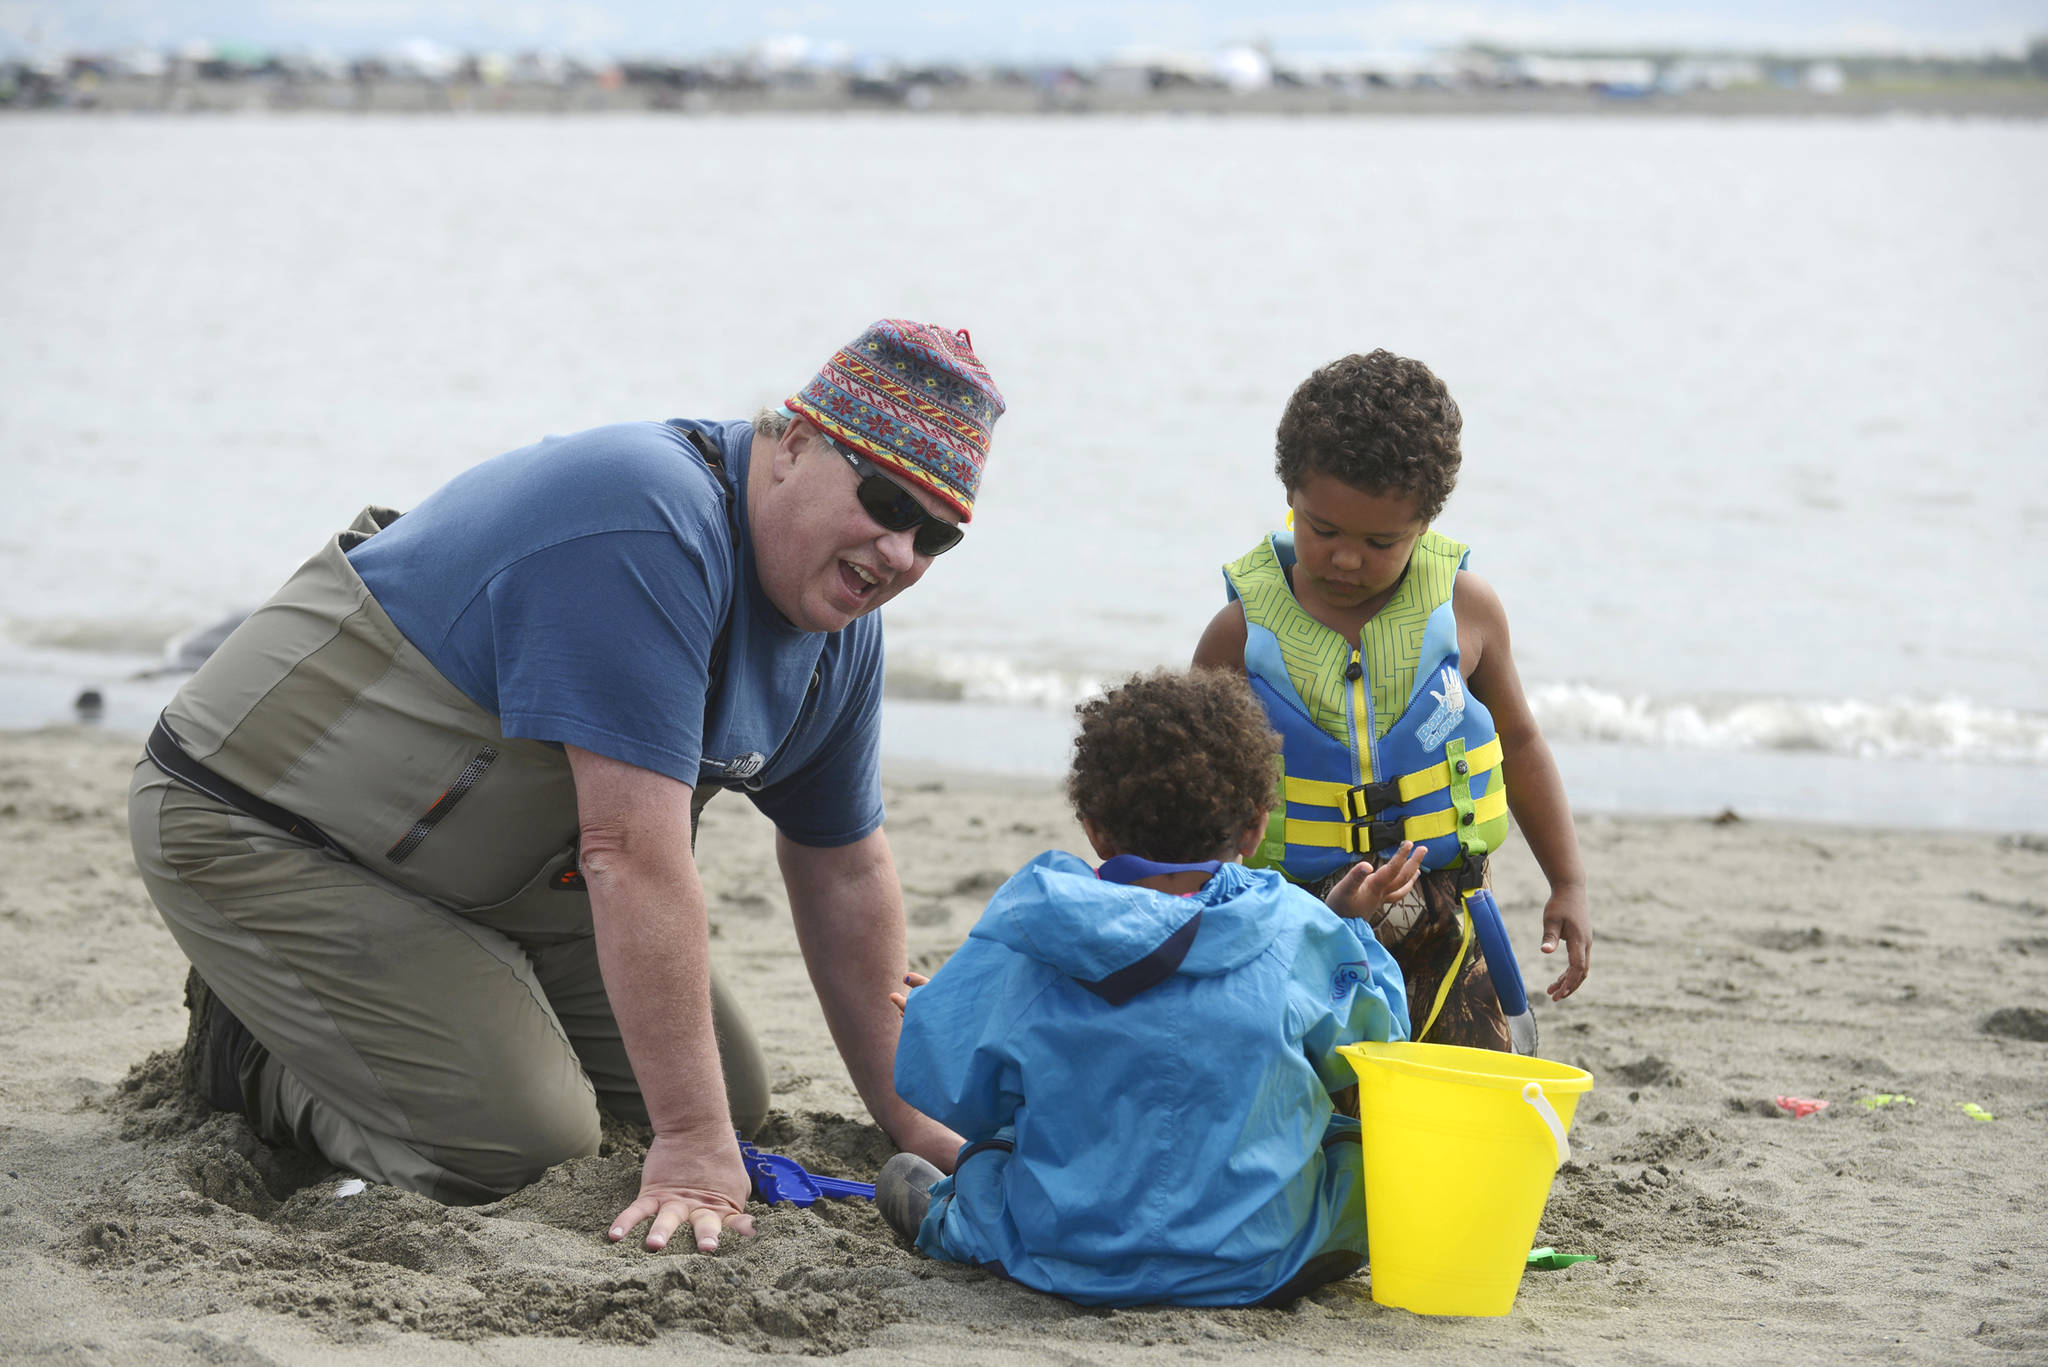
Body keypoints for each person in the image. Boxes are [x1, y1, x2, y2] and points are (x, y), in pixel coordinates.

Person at [127, 319, 1003, 1256]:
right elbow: (628, 853)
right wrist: (696, 1157)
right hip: (264, 821)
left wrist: (916, 1123)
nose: (901, 551)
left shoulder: (841, 627)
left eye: (935, 537)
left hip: (484, 874)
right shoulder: (647, 518)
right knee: (524, 1145)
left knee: (732, 1098)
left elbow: (844, 873)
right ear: (793, 445)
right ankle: (252, 1053)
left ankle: (398, 1005)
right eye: (883, 499)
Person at [881, 669, 1416, 1307]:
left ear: (1094, 827)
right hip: (1255, 1262)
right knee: (1354, 1162)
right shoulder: (1300, 931)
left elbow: (963, 1098)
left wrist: (941, 1017)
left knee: (986, 1156)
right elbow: (1382, 1039)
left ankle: (947, 1223)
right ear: (1253, 826)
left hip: (1067, 1256)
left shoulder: (1041, 935)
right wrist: (1349, 927)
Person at [1193, 350, 1591, 1054]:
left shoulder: (1468, 612)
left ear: (1426, 522)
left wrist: (1568, 880)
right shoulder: (1242, 632)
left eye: (1381, 541)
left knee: (1470, 1083)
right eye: (1323, 530)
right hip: (1295, 909)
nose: (1346, 558)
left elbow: (1521, 741)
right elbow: (1186, 780)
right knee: (1308, 1088)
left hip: (1449, 908)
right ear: (1291, 494)